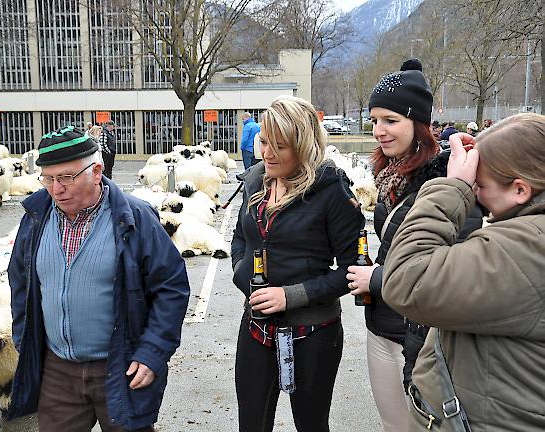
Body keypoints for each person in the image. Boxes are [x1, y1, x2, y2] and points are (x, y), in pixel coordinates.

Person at [6, 126, 190, 431]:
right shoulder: (36, 218)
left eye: (66, 177)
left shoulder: (134, 217)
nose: (56, 189)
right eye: (48, 178)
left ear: (96, 171)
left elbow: (170, 287)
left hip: (121, 367)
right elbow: (20, 283)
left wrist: (152, 351)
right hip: (58, 370)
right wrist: (25, 339)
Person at [382, 113, 545, 430]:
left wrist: (452, 187)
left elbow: (407, 278)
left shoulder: (527, 249)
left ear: (521, 190)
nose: (476, 194)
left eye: (481, 184)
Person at [346, 59, 482, 432]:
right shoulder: (390, 176)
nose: (378, 131)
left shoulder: (447, 182)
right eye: (374, 121)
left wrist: (377, 279)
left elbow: (451, 270)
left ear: (418, 124)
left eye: (390, 120)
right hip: (381, 326)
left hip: (420, 337)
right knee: (394, 425)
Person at [231, 95, 364, 432]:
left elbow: (353, 271)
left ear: (303, 146)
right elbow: (240, 238)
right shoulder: (255, 180)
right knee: (251, 424)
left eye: (280, 146)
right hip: (257, 326)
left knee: (311, 425)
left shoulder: (332, 190)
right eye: (263, 141)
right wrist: (241, 274)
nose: (267, 153)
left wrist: (290, 296)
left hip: (314, 332)